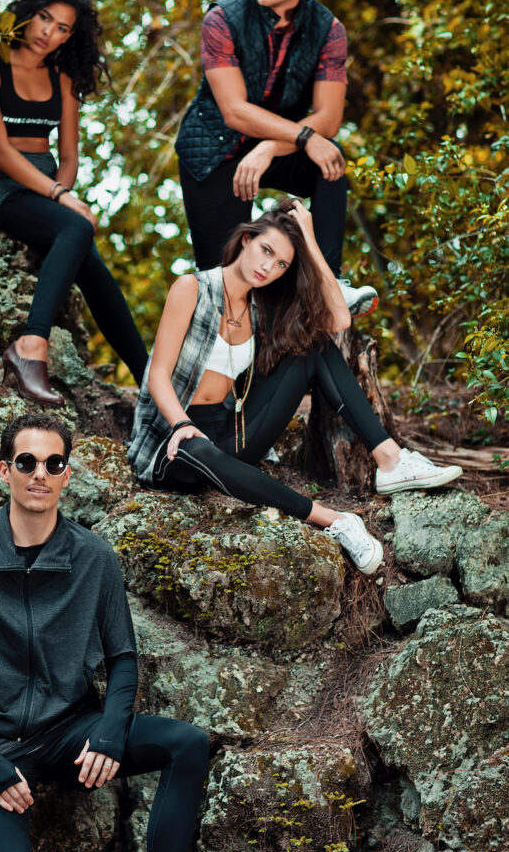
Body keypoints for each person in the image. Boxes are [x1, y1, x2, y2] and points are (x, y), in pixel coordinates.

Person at [0, 413, 210, 852]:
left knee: (188, 744)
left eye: (53, 462)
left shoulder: (94, 557)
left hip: (68, 733)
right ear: (4, 471)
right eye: (27, 461)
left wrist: (109, 732)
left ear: (67, 475)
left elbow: (123, 657)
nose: (40, 473)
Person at [127, 200, 462, 575]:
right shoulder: (193, 288)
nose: (268, 267)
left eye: (281, 263)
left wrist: (310, 240)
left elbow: (338, 320)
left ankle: (390, 460)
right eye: (265, 250)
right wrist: (181, 424)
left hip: (231, 433)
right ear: (246, 239)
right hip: (173, 445)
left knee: (315, 347)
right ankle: (335, 520)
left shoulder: (262, 306)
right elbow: (157, 375)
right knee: (197, 448)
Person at [175, 0, 378, 319]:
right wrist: (302, 137)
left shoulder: (329, 30)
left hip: (275, 144)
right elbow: (235, 111)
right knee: (225, 286)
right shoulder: (222, 19)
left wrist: (274, 146)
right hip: (213, 152)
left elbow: (329, 117)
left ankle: (328, 282)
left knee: (330, 160)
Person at [0, 0, 147, 406]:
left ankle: (151, 382)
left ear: (71, 36)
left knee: (92, 264)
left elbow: (68, 154)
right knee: (76, 227)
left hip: (47, 179)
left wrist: (61, 188)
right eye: (45, 18)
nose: (49, 32)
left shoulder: (63, 77)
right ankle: (30, 347)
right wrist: (61, 197)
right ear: (29, 14)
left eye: (63, 27)